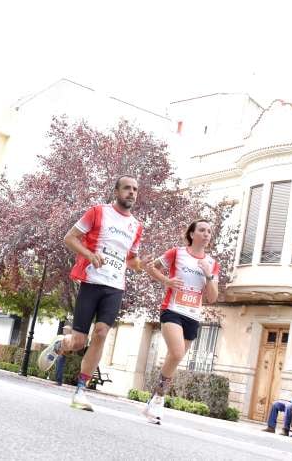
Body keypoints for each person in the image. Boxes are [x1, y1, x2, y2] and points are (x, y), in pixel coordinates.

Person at [36, 176, 143, 412]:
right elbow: (69, 238)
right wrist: (90, 255)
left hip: (115, 286)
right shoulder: (97, 212)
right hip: (91, 281)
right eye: (127, 188)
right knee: (78, 341)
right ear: (116, 191)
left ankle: (81, 391)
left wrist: (140, 265)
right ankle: (61, 343)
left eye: (135, 189)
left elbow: (132, 257)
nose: (131, 193)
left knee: (102, 333)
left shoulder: (136, 226)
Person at [141, 218, 220, 425]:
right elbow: (151, 268)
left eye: (209, 231)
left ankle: (154, 399)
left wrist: (208, 275)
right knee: (176, 353)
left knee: (174, 359)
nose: (206, 234)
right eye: (202, 230)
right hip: (173, 309)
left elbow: (212, 298)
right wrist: (166, 281)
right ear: (192, 234)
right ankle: (158, 398)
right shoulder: (177, 253)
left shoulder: (212, 264)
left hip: (193, 316)